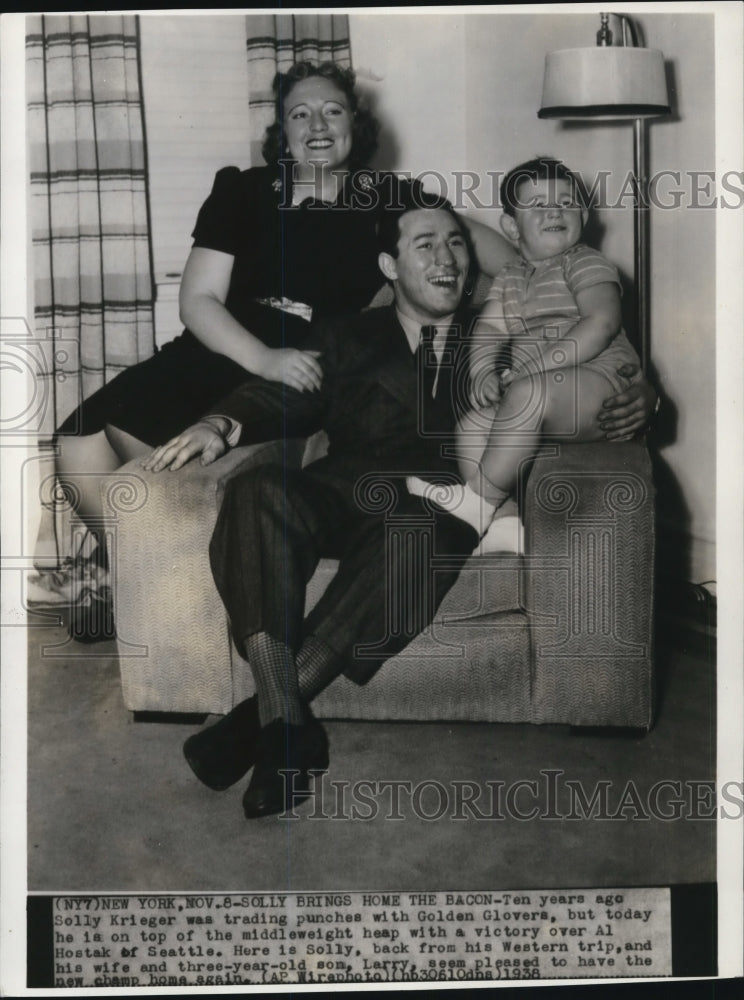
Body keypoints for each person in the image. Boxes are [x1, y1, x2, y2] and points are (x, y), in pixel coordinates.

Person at [144, 185, 658, 819]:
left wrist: (650, 396)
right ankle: (285, 720)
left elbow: (600, 356)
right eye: (425, 244)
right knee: (257, 489)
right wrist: (220, 425)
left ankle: (267, 720)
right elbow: (286, 393)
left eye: (456, 244)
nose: (447, 258)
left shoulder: (506, 324)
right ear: (390, 268)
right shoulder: (344, 335)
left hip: (439, 501)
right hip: (345, 486)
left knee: (419, 525)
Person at [53, 60, 516, 641]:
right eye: (300, 113)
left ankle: (151, 592)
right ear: (282, 131)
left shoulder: (389, 196)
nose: (317, 124)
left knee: (149, 474)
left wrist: (542, 290)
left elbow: (484, 252)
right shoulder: (244, 191)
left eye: (333, 110)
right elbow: (198, 300)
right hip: (223, 346)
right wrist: (261, 358)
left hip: (307, 361)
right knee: (77, 444)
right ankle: (133, 578)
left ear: (354, 124)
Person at [408, 156, 643, 548]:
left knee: (528, 393)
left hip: (601, 380)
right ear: (511, 227)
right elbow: (490, 329)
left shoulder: (584, 261)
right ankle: (505, 522)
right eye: (537, 205)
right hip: (541, 391)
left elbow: (601, 323)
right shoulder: (510, 276)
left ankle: (478, 502)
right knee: (472, 426)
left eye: (566, 202)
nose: (554, 210)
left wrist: (535, 368)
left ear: (583, 215)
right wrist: (482, 371)